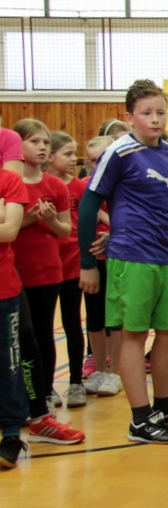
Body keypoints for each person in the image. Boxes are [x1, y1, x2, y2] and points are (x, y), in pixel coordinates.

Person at [79, 79, 168, 444]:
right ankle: (139, 419)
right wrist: (87, 262)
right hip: (132, 257)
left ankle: (164, 405)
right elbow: (89, 204)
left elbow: (162, 203)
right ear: (129, 117)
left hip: (167, 255)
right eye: (146, 113)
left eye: (160, 112)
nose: (155, 119)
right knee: (134, 335)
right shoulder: (119, 152)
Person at [12, 120, 71, 413]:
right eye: (34, 141)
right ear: (17, 145)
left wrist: (49, 220)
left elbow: (65, 229)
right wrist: (27, 219)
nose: (42, 147)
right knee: (18, 338)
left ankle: (45, 390)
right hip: (14, 271)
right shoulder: (10, 183)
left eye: (46, 142)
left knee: (43, 333)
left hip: (47, 270)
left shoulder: (55, 185)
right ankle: (20, 395)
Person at [47, 131, 88, 408]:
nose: (74, 159)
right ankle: (46, 386)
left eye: (75, 153)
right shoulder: (41, 185)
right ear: (50, 157)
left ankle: (76, 382)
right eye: (68, 154)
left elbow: (88, 221)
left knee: (73, 322)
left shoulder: (79, 188)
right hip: (47, 264)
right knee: (43, 329)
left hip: (73, 261)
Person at [79, 135, 122, 398]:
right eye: (92, 161)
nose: (97, 166)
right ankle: (99, 368)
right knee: (94, 316)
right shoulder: (85, 185)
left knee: (115, 319)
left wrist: (110, 229)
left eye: (101, 159)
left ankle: (115, 371)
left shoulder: (122, 185)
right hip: (93, 259)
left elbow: (127, 221)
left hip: (117, 258)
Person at [0, 163, 30, 466]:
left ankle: (10, 434)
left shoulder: (8, 180)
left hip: (3, 290)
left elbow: (9, 231)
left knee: (7, 362)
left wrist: (5, 218)